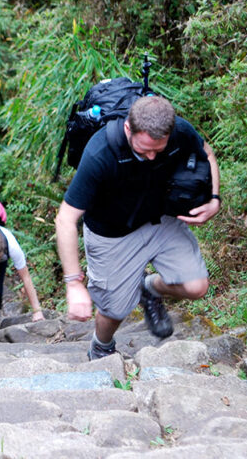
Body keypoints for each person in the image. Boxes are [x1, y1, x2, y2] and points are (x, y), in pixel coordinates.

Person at [54, 95, 221, 359]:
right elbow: (65, 219)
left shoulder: (181, 131)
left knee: (196, 286)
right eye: (144, 150)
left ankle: (149, 288)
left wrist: (214, 198)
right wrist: (74, 283)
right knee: (114, 310)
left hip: (160, 221)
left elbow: (207, 153)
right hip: (111, 234)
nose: (152, 156)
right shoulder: (101, 152)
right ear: (128, 129)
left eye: (159, 149)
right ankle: (102, 346)